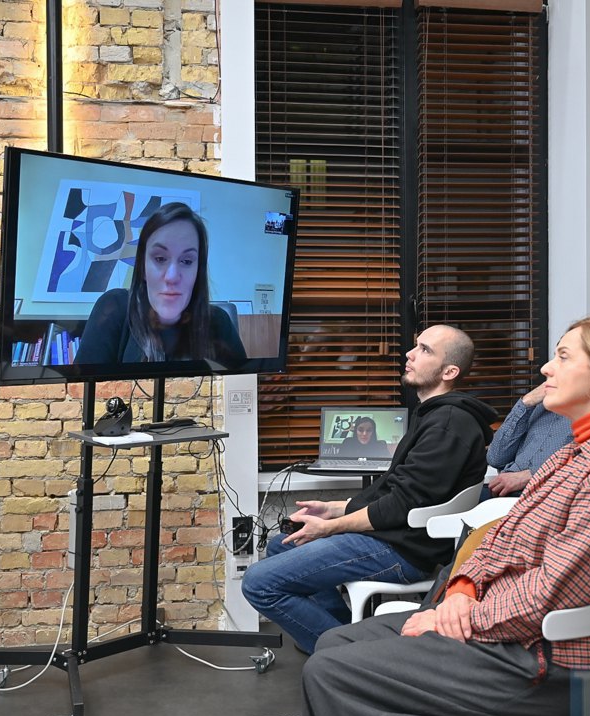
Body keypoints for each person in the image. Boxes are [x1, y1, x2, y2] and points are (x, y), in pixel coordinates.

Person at [300, 318, 590, 716]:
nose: (546, 368)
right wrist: (461, 589)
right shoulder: (577, 453)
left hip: (549, 668)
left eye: (562, 357)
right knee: (334, 644)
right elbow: (498, 537)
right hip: (510, 641)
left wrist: (455, 621)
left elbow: (554, 592)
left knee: (331, 673)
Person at [241, 325, 496, 654]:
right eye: (415, 345)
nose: (410, 353)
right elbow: (393, 490)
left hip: (402, 551)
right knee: (281, 545)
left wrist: (329, 528)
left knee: (259, 583)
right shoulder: (434, 416)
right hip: (389, 536)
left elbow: (399, 505)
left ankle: (352, 655)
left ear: (449, 371)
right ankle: (338, 636)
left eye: (425, 350)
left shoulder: (448, 425)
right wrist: (335, 508)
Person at [74, 202, 247, 367]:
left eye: (187, 261)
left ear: (197, 271)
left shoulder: (219, 323)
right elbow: (82, 391)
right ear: (142, 267)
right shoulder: (113, 308)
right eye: (159, 259)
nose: (172, 277)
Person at [484, 381, 572, 498]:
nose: (546, 369)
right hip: (504, 494)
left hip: (548, 496)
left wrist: (532, 474)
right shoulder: (539, 404)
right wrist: (526, 403)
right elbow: (495, 458)